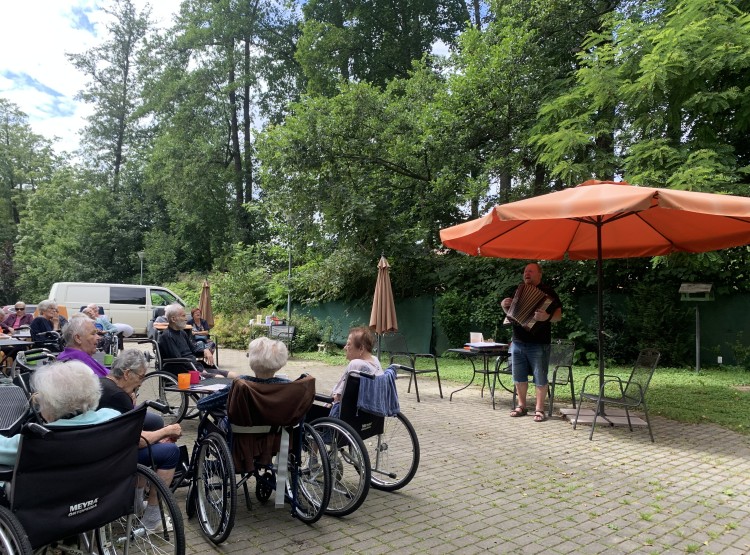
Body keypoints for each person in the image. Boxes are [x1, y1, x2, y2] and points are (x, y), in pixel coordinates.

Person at [98, 349, 181, 531]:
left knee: (155, 421)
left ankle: (135, 504)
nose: (142, 382)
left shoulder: (105, 383)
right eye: (141, 377)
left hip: (104, 446)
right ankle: (153, 520)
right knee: (171, 453)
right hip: (113, 459)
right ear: (127, 374)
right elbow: (139, 441)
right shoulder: (118, 397)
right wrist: (166, 432)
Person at [0, 360, 121, 466]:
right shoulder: (113, 417)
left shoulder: (38, 439)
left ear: (50, 403)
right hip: (104, 487)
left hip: (48, 490)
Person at [501, 262, 562, 423]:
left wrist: (546, 317)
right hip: (518, 341)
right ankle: (521, 406)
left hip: (539, 343)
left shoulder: (548, 293)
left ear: (539, 274)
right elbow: (512, 316)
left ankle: (539, 409)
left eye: (531, 271)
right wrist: (504, 308)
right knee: (518, 376)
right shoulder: (519, 291)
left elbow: (559, 316)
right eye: (525, 271)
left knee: (540, 377)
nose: (527, 273)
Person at [196, 337, 289, 413]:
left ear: (252, 363)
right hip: (280, 433)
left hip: (241, 433)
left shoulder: (241, 384)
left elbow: (202, 404)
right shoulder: (289, 385)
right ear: (280, 365)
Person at [158, 303, 233, 378]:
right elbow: (178, 360)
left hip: (196, 367)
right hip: (185, 372)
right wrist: (198, 370)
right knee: (220, 378)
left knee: (233, 375)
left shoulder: (182, 333)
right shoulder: (167, 337)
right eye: (183, 316)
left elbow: (193, 348)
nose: (186, 319)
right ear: (173, 319)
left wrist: (205, 350)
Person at [329, 326, 383, 417]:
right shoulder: (375, 360)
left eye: (349, 344)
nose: (345, 348)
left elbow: (337, 397)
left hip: (348, 416)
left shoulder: (356, 364)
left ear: (361, 348)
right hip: (371, 416)